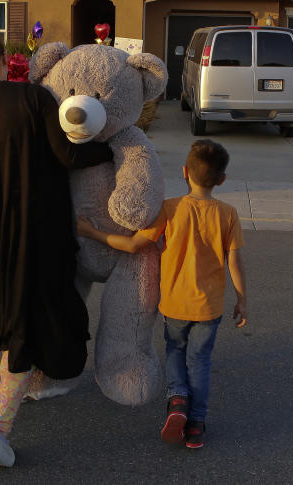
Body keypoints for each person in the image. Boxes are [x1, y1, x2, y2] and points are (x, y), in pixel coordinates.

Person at [0, 13, 112, 467]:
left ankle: (25, 386)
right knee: (23, 325)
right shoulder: (32, 99)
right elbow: (67, 154)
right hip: (26, 237)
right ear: (3, 59)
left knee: (1, 317)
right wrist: (113, 147)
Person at [76, 139, 247, 450]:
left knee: (174, 351)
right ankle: (196, 425)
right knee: (200, 362)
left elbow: (132, 246)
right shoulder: (229, 214)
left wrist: (91, 232)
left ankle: (177, 399)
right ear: (221, 179)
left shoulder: (170, 208)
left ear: (184, 172)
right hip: (208, 309)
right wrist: (242, 299)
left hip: (174, 305)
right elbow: (233, 261)